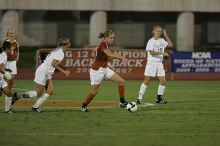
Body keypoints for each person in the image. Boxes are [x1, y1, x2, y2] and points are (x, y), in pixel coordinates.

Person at [12, 38, 71, 112]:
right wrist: (64, 72)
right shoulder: (60, 53)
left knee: (50, 91)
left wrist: (64, 69)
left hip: (46, 72)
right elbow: (53, 63)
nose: (69, 46)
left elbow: (54, 62)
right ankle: (17, 96)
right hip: (43, 72)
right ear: (64, 45)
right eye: (68, 44)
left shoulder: (57, 50)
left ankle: (35, 106)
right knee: (38, 93)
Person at [81, 30, 129, 112]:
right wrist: (122, 58)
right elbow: (109, 54)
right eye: (110, 38)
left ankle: (122, 102)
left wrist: (96, 58)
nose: (112, 39)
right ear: (105, 38)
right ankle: (84, 106)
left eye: (113, 38)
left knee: (121, 81)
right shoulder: (103, 44)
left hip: (105, 69)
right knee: (95, 90)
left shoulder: (104, 44)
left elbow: (93, 51)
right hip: (97, 71)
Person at [136, 25, 173, 104]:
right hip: (151, 63)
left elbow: (170, 45)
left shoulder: (162, 40)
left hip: (159, 63)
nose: (159, 32)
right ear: (154, 31)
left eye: (161, 31)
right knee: (147, 81)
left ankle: (159, 98)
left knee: (163, 81)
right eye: (158, 31)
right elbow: (151, 52)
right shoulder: (150, 41)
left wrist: (166, 35)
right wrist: (163, 53)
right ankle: (139, 98)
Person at [0, 41, 17, 113]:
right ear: (7, 48)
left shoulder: (4, 55)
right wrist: (6, 74)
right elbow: (0, 68)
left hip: (1, 79)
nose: (11, 49)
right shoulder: (2, 56)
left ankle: (7, 110)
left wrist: (6, 70)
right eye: (11, 48)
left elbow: (2, 67)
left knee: (9, 94)